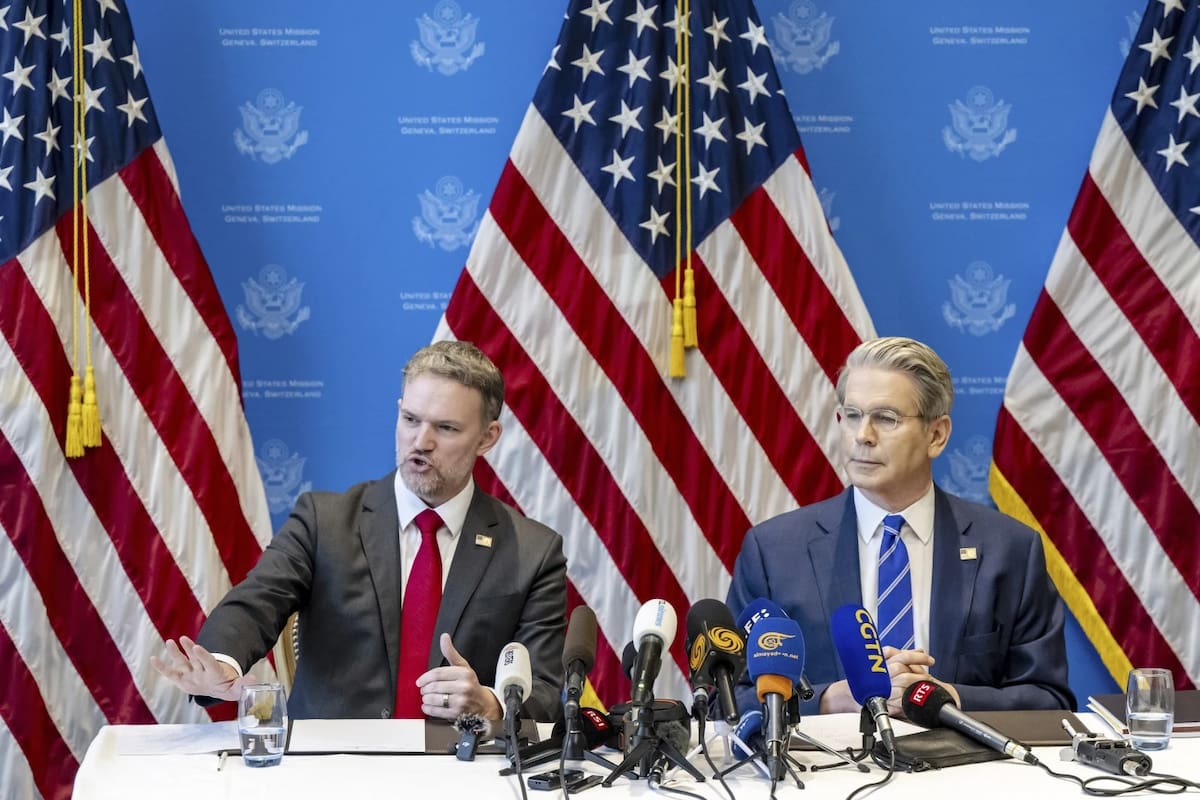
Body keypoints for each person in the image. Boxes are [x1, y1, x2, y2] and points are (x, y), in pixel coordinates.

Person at [151, 341, 568, 723]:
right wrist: (222, 664)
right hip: (334, 771)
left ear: (487, 437)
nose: (420, 441)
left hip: (461, 772)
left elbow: (547, 692)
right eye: (410, 419)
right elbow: (260, 599)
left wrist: (492, 704)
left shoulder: (532, 551)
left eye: (446, 428)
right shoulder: (325, 521)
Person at [728, 336, 1074, 717]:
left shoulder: (1010, 551)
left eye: (886, 418)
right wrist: (828, 700)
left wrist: (950, 699)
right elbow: (729, 699)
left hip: (964, 772)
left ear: (936, 435)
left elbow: (1049, 700)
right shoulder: (774, 552)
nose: (863, 436)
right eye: (853, 416)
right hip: (824, 773)